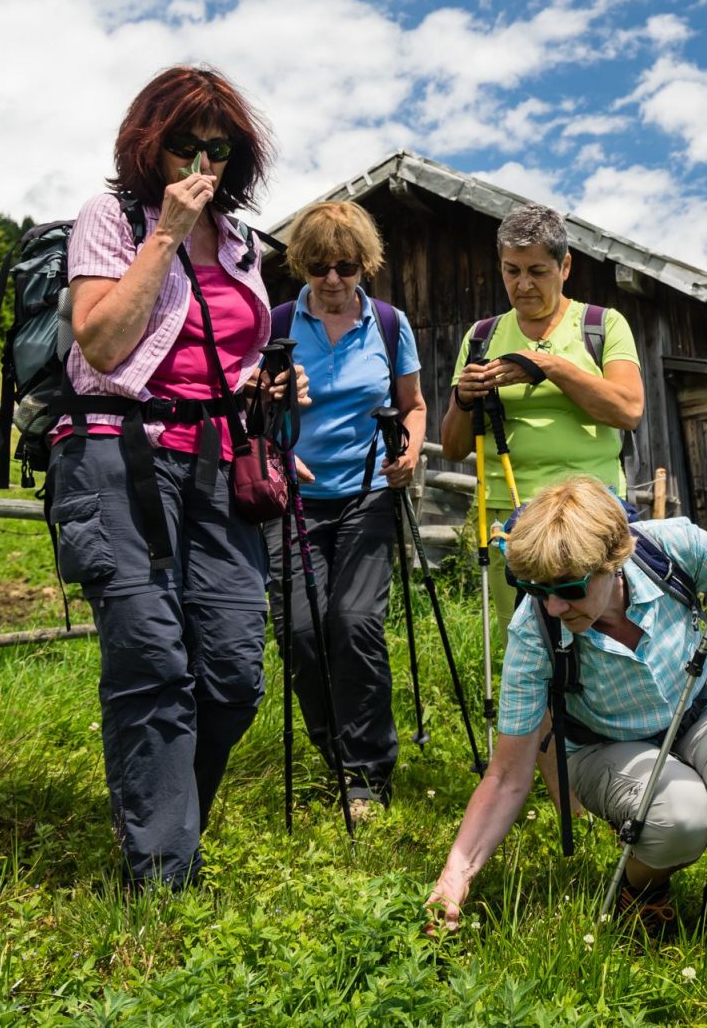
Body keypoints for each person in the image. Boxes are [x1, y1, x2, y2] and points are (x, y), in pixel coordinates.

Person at [48, 64, 298, 891]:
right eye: (184, 145)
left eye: (217, 148)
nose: (200, 162)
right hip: (118, 456)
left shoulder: (241, 244)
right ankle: (162, 878)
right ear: (149, 144)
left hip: (219, 465)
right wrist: (163, 237)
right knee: (154, 660)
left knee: (232, 670)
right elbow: (104, 345)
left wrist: (265, 385)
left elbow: (233, 354)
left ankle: (168, 825)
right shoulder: (110, 219)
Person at [424, 469, 707, 945]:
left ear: (615, 559)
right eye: (538, 590)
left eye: (569, 590)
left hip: (700, 711)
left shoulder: (671, 548)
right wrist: (454, 878)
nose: (554, 608)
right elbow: (506, 776)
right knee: (679, 811)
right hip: (601, 747)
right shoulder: (535, 630)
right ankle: (642, 894)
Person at [265, 200, 425, 821]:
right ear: (302, 264)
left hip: (366, 495)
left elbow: (411, 404)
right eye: (320, 267)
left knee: (354, 623)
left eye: (347, 266)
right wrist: (272, 451)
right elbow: (250, 410)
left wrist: (408, 450)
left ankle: (366, 773)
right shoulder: (276, 322)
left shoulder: (389, 323)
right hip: (292, 502)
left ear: (365, 264)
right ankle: (334, 751)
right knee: (303, 633)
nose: (333, 280)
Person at [438, 203, 643, 507]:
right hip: (505, 509)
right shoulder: (481, 337)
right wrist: (464, 400)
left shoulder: (602, 325)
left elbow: (628, 411)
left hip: (591, 509)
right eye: (512, 271)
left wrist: (551, 367)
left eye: (537, 271)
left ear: (565, 267)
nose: (523, 284)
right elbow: (453, 449)